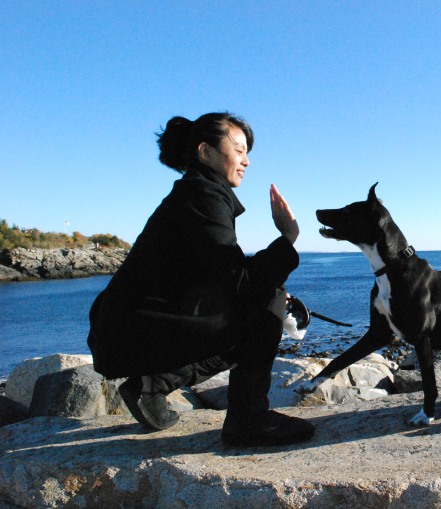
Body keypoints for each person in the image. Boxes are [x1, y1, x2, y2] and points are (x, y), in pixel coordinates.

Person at [87, 112, 314, 447]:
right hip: (135, 330)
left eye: (247, 152)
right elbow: (241, 284)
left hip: (128, 327)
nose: (246, 161)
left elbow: (223, 273)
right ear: (205, 151)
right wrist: (288, 237)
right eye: (238, 149)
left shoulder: (198, 193)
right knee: (267, 303)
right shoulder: (203, 196)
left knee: (264, 298)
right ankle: (248, 421)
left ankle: (152, 385)